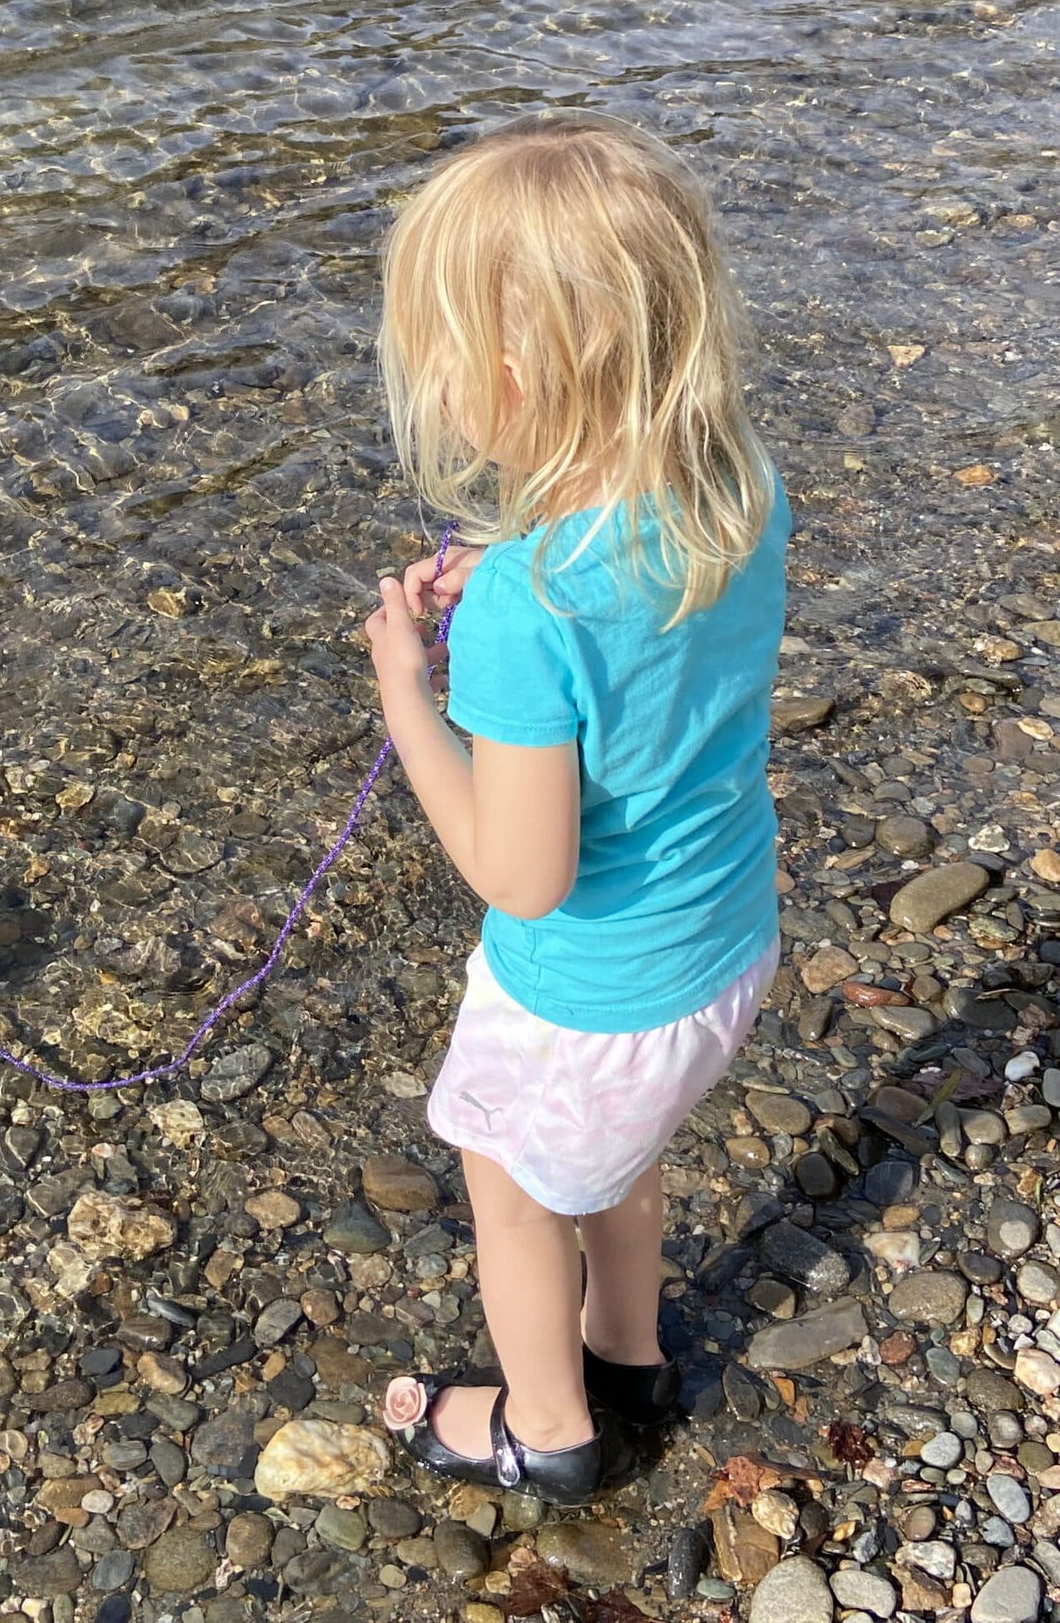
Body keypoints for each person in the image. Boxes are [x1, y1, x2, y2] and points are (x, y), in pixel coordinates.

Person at [361, 110, 790, 1506]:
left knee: (512, 1180)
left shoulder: (529, 614)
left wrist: (412, 703)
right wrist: (518, 561)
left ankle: (546, 1427)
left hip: (585, 994)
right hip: (718, 948)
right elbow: (637, 617)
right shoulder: (736, 488)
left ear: (513, 375)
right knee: (619, 1156)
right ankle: (630, 1351)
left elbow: (520, 871)